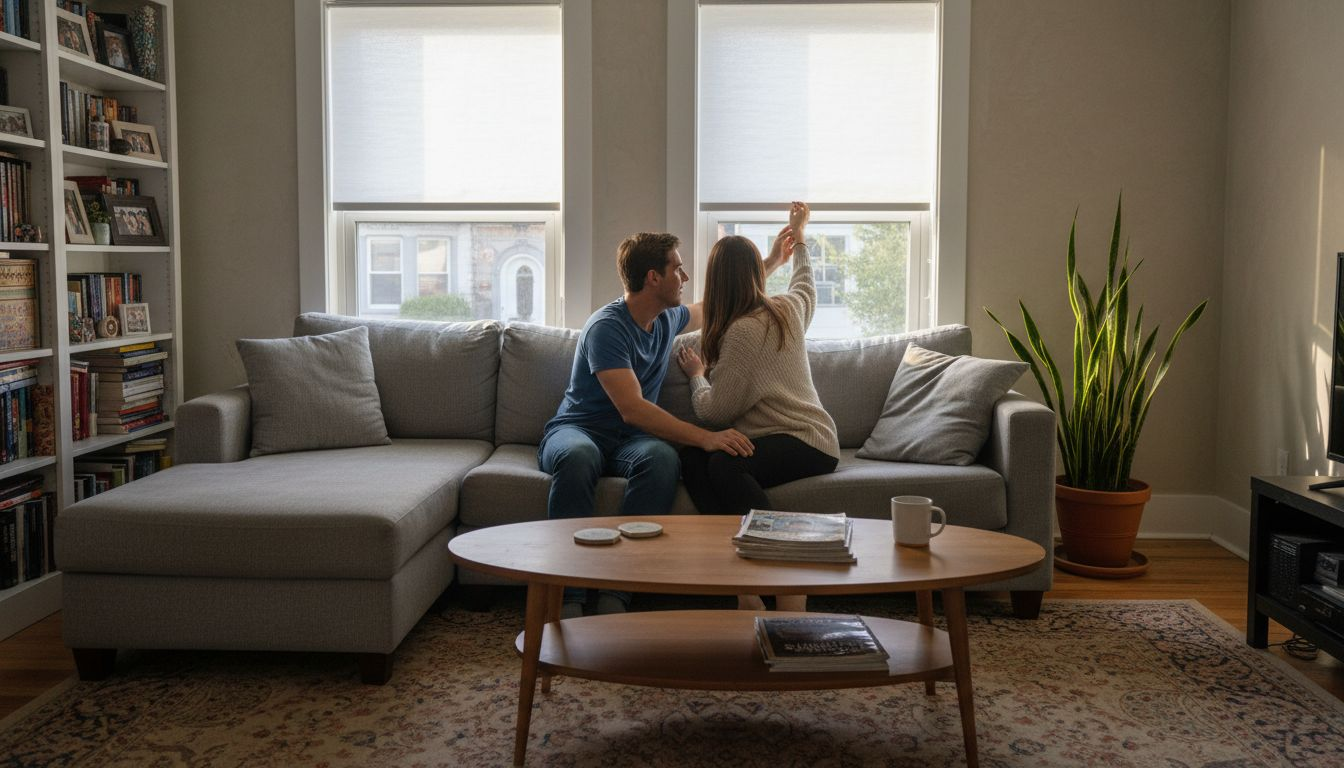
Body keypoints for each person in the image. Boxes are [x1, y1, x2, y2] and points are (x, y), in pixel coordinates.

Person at [539, 232, 755, 618]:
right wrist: (706, 438)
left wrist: (766, 264)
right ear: (653, 277)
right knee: (578, 456)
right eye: (677, 268)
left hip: (632, 443)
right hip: (578, 429)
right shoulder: (606, 327)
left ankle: (618, 592)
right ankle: (568, 596)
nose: (684, 277)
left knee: (661, 459)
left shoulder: (667, 319)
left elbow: (713, 305)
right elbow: (633, 409)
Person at [676, 201, 840, 613]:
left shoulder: (742, 334)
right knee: (694, 457)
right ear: (755, 275)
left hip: (805, 440)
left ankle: (785, 578)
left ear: (715, 282)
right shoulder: (787, 308)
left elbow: (716, 413)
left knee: (723, 463)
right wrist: (797, 242)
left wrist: (697, 375)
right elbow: (806, 285)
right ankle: (743, 586)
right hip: (810, 437)